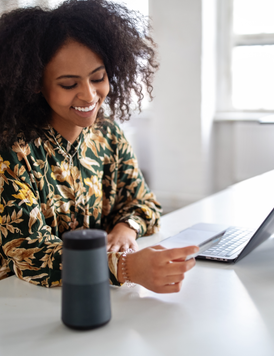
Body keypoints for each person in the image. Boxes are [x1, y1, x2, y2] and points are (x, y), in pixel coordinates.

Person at [0, 0, 198, 293]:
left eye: (98, 78)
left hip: (91, 296)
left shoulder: (106, 133)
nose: (89, 95)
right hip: (18, 302)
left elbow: (143, 203)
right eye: (69, 84)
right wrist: (125, 267)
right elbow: (33, 254)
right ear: (35, 84)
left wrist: (125, 228)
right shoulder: (12, 152)